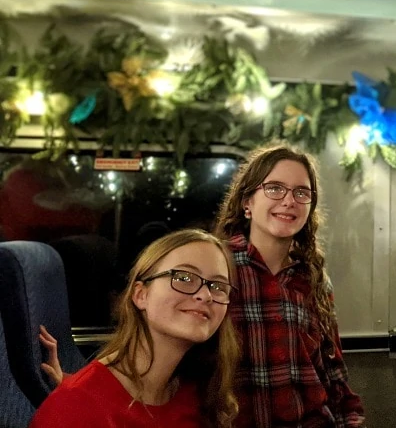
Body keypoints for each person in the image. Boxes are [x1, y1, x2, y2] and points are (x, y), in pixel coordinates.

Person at [214, 144, 365, 427]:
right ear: (248, 202)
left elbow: (334, 375)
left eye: (301, 192)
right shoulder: (217, 267)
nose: (289, 201)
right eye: (274, 188)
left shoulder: (314, 279)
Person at [30, 228, 240, 428]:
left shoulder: (201, 394)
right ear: (141, 295)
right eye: (183, 278)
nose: (206, 295)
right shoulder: (76, 408)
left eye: (218, 286)